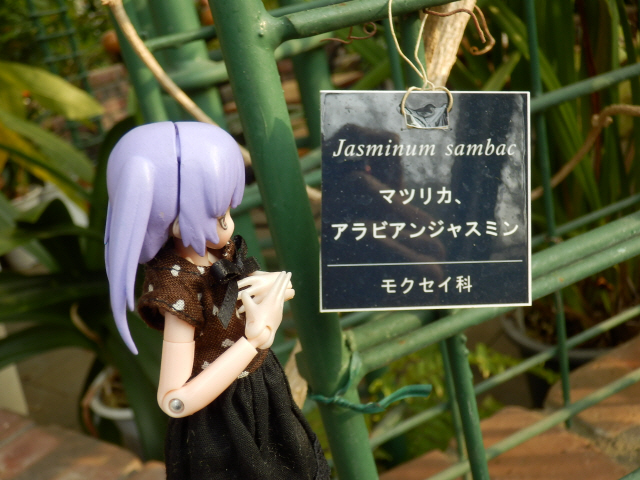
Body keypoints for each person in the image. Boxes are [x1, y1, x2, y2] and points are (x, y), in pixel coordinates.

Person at [105, 121, 330, 479]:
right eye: (220, 216)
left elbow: (231, 293)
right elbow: (174, 400)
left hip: (261, 390)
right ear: (175, 221)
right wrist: (252, 341)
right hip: (222, 421)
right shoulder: (177, 288)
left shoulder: (217, 255)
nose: (229, 224)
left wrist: (271, 286)